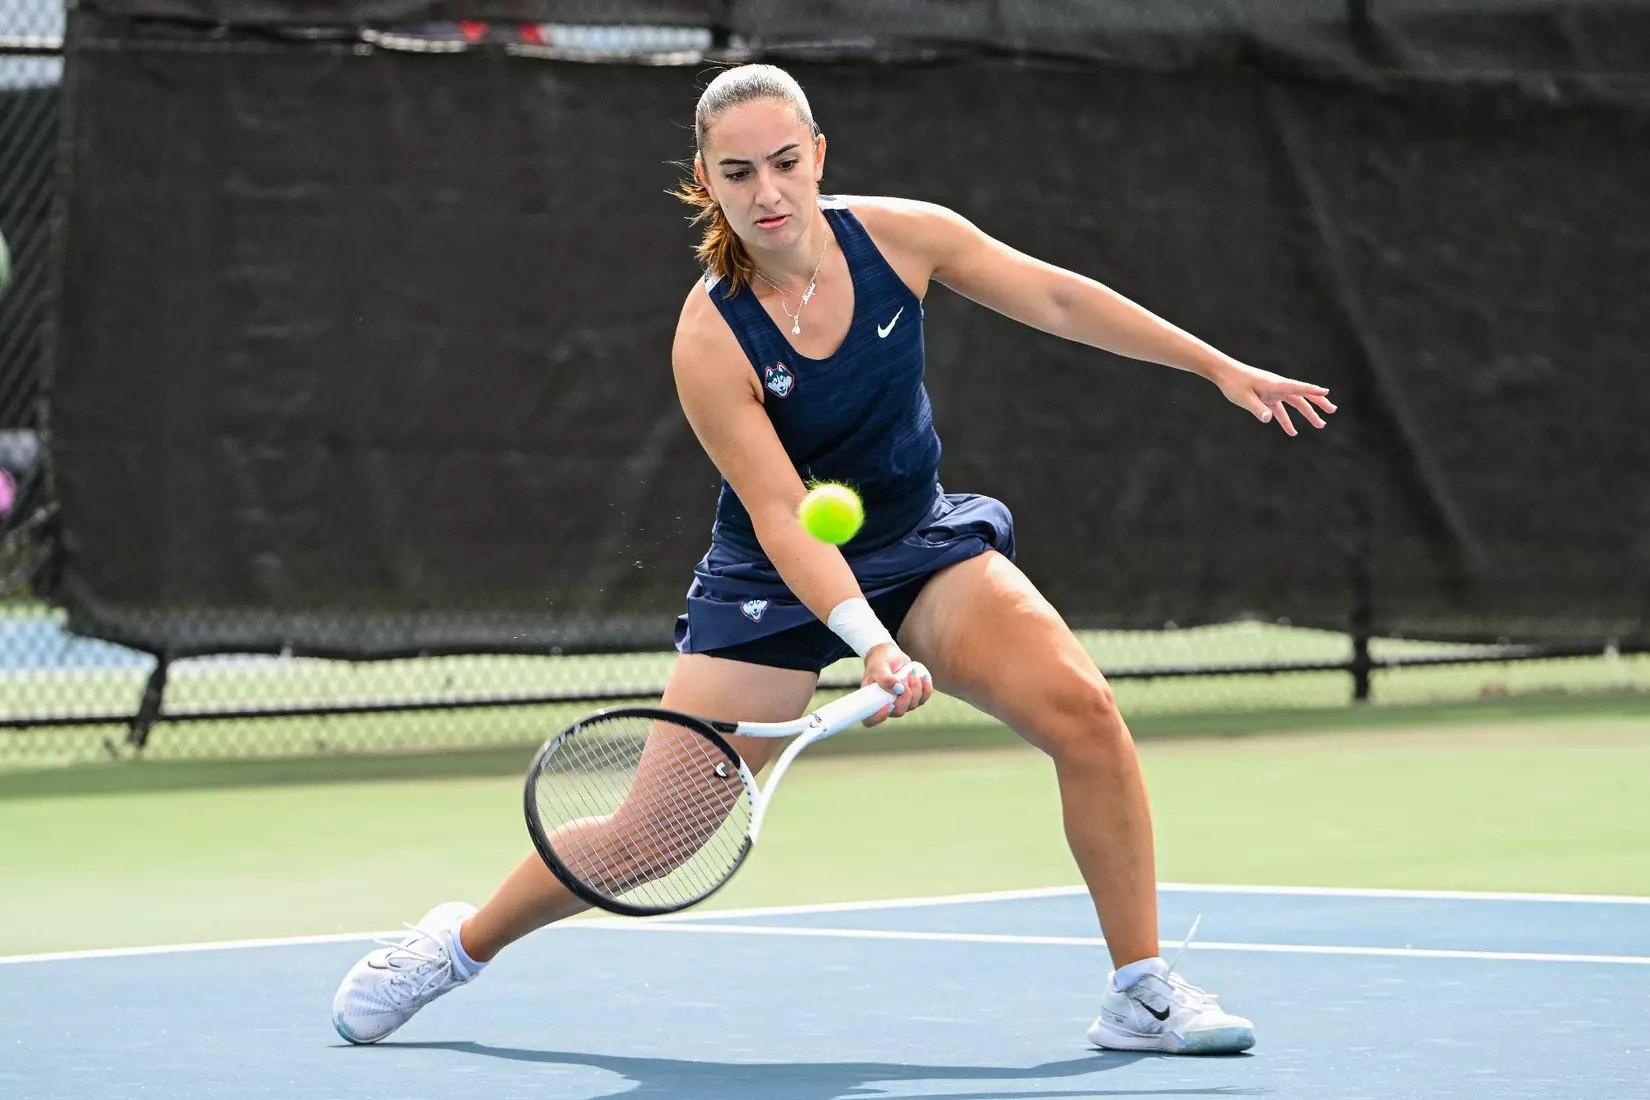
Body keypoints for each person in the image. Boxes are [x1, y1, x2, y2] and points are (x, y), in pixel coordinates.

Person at [331, 63, 1335, 1055]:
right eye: (737, 172)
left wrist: (1215, 363)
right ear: (706, 179)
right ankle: (454, 947)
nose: (766, 192)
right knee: (652, 838)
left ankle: (1139, 990)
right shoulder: (709, 335)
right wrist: (869, 643)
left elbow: (1059, 299)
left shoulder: (904, 238)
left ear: (816, 156)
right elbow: (780, 516)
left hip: (919, 543)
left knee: (1086, 711)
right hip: (771, 585)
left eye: (781, 163)